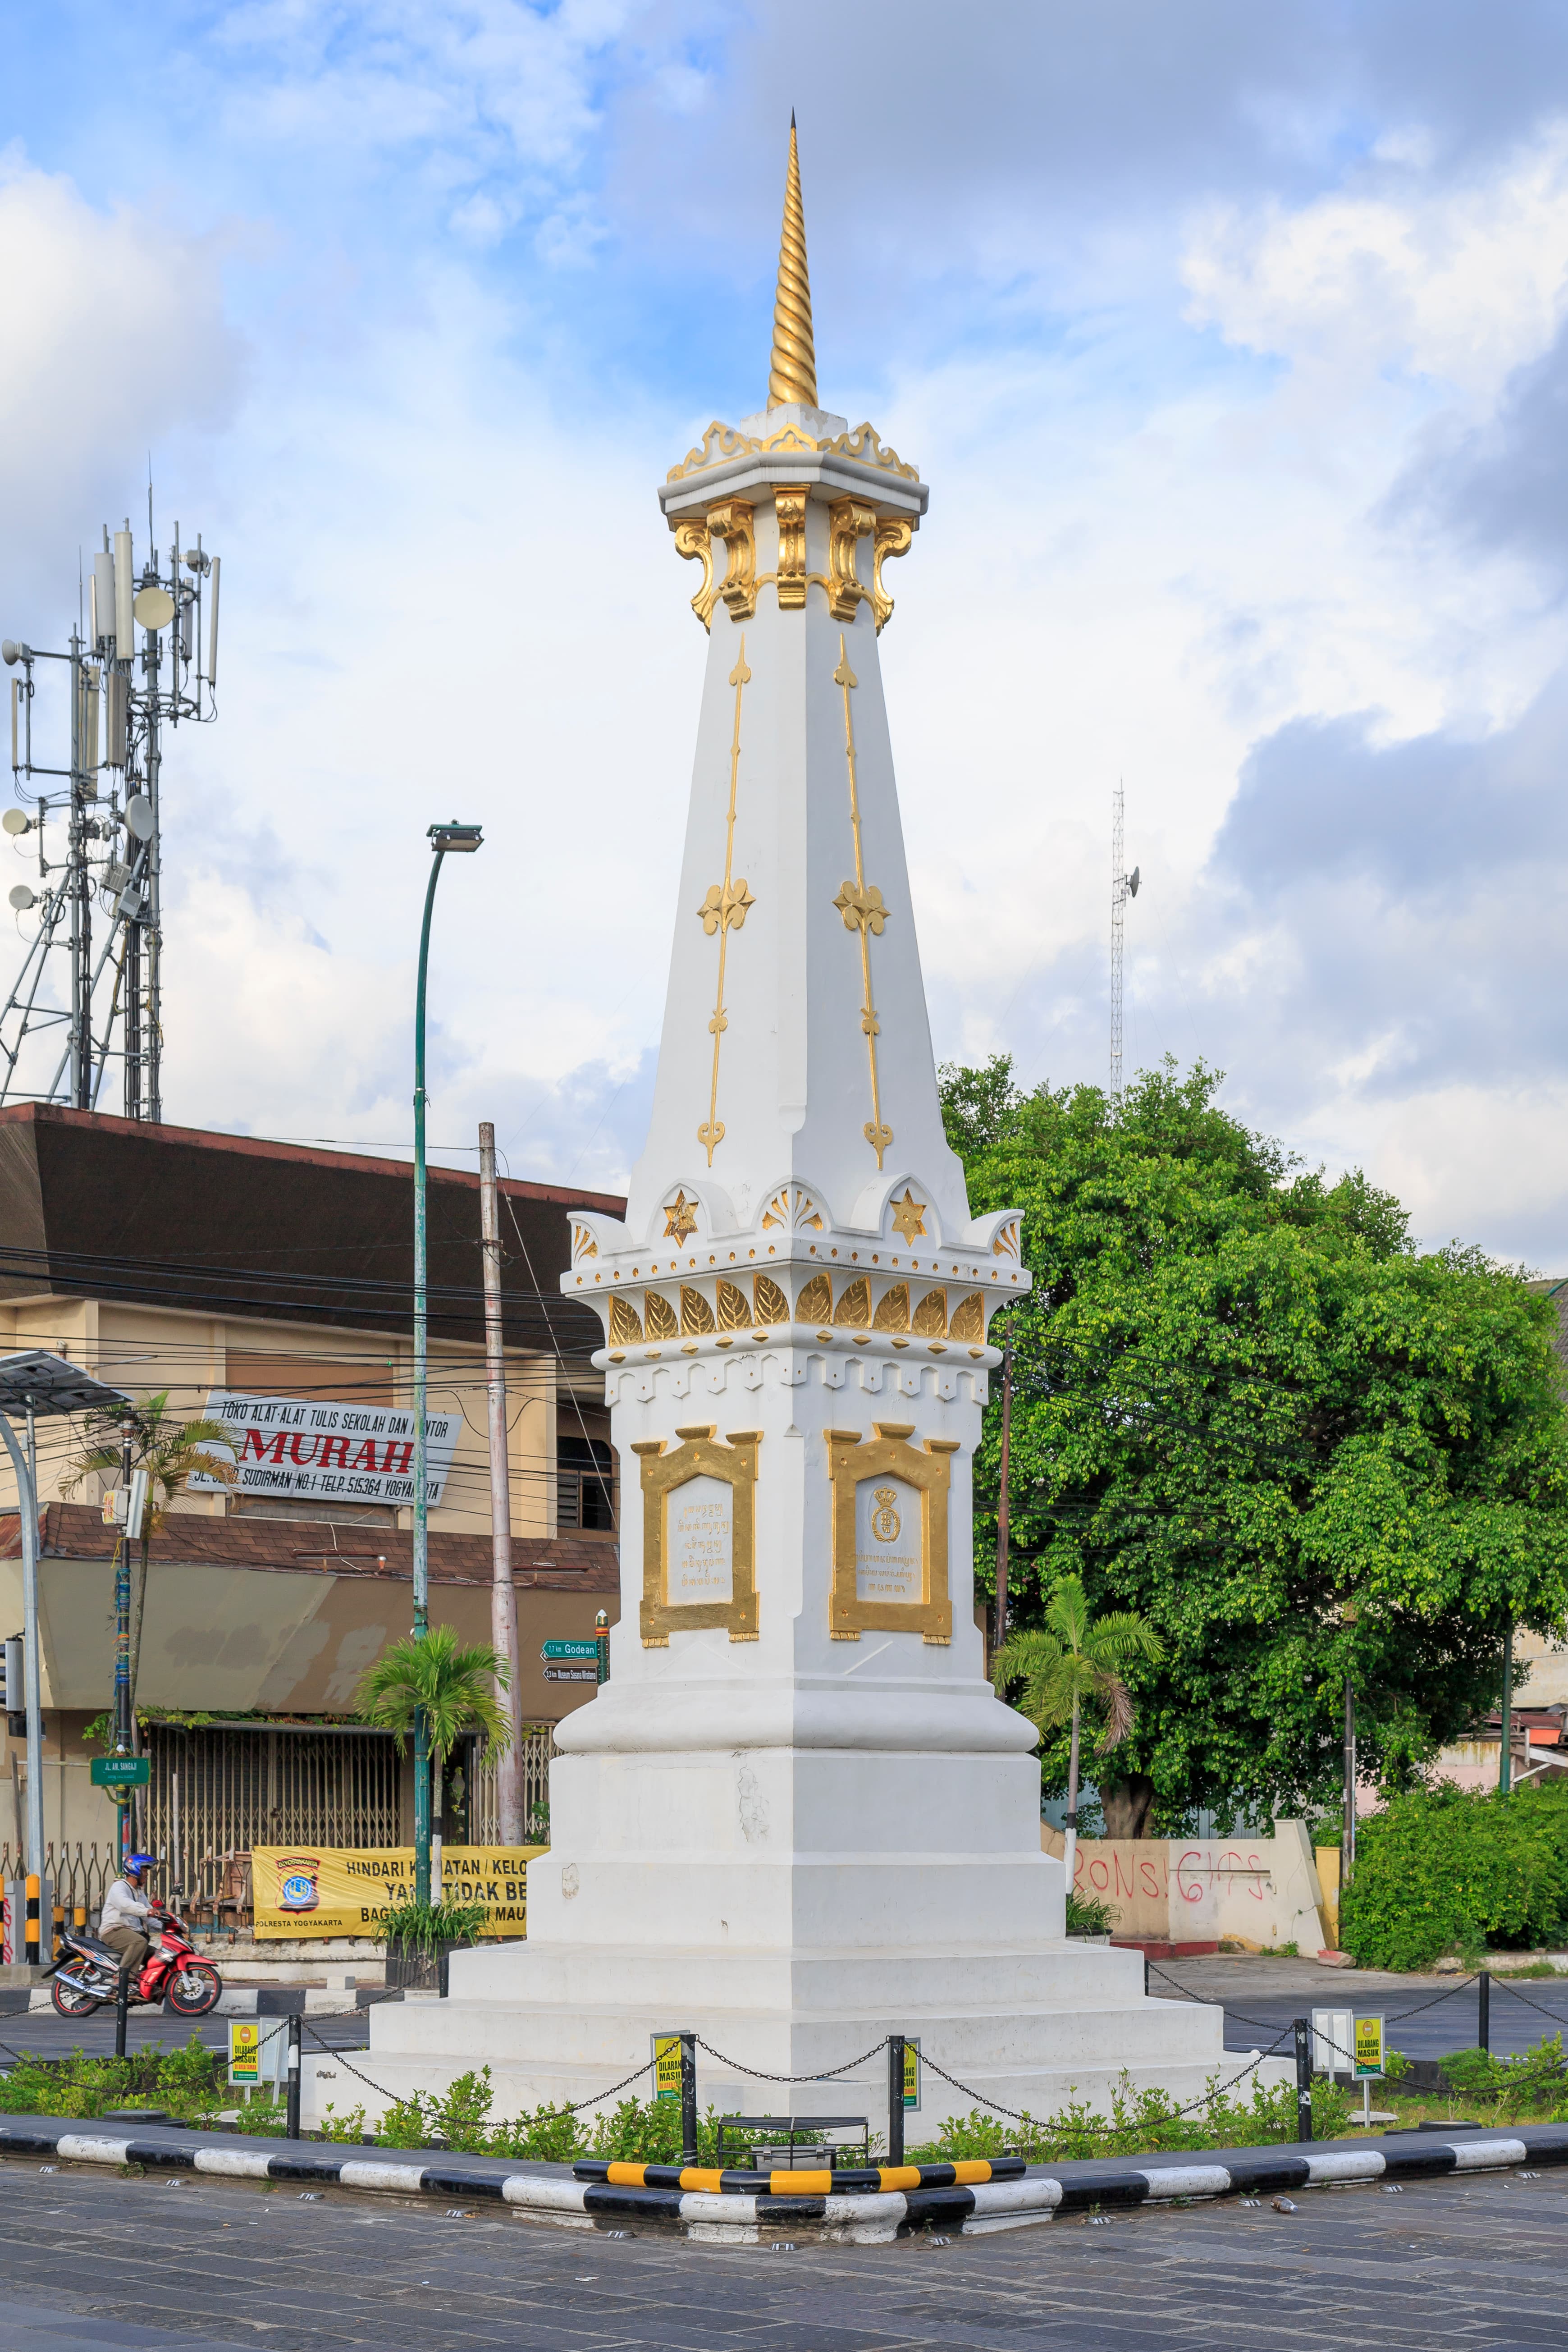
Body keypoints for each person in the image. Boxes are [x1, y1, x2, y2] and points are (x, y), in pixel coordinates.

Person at [100, 1853, 160, 1980]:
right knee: (139, 1942)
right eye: (144, 1871)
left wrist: (168, 1926)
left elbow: (149, 1918)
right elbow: (125, 1905)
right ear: (135, 1870)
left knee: (158, 1957)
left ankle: (147, 1985)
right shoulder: (119, 1887)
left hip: (131, 1933)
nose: (147, 1875)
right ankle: (122, 1980)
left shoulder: (139, 1893)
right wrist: (148, 1911)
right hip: (114, 1932)